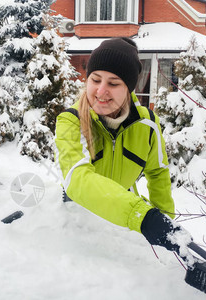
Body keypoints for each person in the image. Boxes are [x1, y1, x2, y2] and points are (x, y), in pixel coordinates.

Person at [55, 37, 185, 252]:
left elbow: (158, 174)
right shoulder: (71, 120)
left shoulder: (148, 124)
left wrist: (165, 227)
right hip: (77, 222)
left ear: (129, 88)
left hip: (123, 227)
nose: (101, 91)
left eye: (113, 83)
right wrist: (142, 216)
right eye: (95, 80)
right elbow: (76, 177)